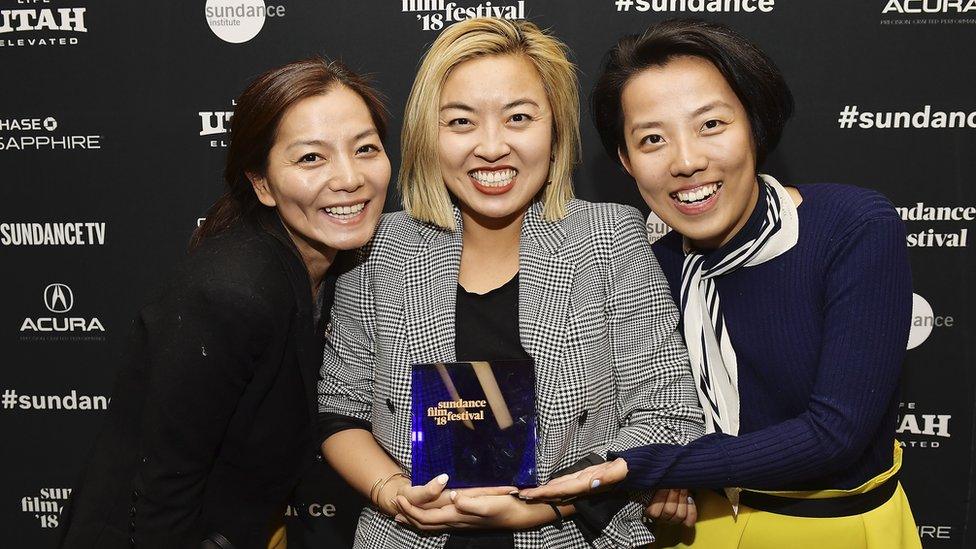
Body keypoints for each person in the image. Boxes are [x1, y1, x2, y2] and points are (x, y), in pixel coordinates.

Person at [518, 19, 922, 549]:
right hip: (684, 529)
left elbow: (835, 434)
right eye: (652, 139)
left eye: (711, 125)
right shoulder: (641, 260)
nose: (686, 161)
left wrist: (656, 467)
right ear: (626, 160)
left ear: (753, 124)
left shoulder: (852, 227)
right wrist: (660, 470)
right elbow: (642, 408)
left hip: (835, 530)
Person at [317, 17, 704, 549]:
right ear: (429, 133)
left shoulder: (609, 237)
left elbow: (668, 413)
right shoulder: (379, 247)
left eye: (518, 117)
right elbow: (341, 408)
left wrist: (549, 505)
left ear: (555, 129)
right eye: (461, 122)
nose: (492, 146)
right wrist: (393, 494)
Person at [58, 57, 391, 549]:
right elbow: (163, 488)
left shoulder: (345, 266)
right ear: (262, 183)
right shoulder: (233, 292)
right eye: (311, 159)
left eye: (365, 149)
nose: (349, 178)